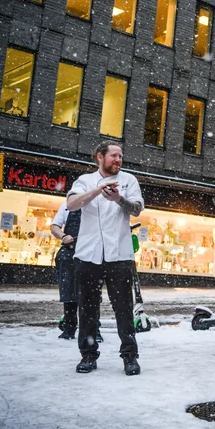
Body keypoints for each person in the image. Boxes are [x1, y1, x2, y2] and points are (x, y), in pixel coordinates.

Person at [66, 141, 145, 376]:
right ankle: (88, 356)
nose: (118, 160)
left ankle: (130, 356)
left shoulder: (129, 180)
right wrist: (96, 192)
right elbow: (71, 204)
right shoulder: (85, 180)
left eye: (120, 156)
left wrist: (119, 199)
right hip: (88, 254)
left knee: (124, 308)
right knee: (87, 308)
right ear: (100, 156)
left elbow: (137, 209)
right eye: (114, 156)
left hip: (119, 255)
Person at [51, 203, 104, 343]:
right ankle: (69, 327)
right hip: (69, 253)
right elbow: (54, 227)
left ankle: (94, 330)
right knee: (69, 292)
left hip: (91, 252)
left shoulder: (97, 206)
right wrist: (63, 236)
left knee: (92, 293)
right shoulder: (67, 206)